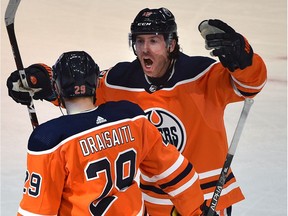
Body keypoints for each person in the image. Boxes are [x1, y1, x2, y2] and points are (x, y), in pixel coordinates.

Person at [7, 7, 267, 216]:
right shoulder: (121, 78)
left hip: (204, 195)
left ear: (171, 44)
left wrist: (243, 57)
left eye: (153, 41)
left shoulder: (203, 73)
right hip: (150, 200)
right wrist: (39, 78)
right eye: (140, 41)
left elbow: (251, 85)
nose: (145, 49)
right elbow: (79, 89)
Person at [15, 50, 211, 216]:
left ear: (56, 87)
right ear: (96, 83)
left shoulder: (49, 139)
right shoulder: (131, 117)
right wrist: (196, 211)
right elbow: (175, 171)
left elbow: (36, 210)